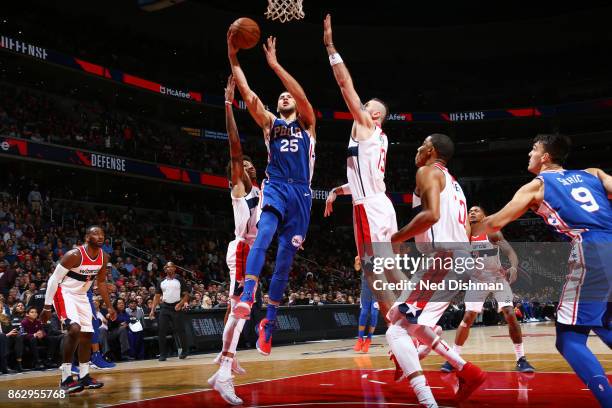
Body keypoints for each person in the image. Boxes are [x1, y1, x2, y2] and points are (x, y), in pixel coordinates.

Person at [322, 14, 441, 406]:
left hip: (370, 208)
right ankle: (413, 340)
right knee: (384, 283)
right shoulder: (371, 138)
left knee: (385, 286)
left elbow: (344, 86)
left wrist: (331, 49)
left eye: (368, 107)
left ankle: (414, 335)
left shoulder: (367, 126)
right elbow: (364, 176)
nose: (362, 107)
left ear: (373, 116)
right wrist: (338, 190)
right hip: (374, 203)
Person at [482, 134, 612, 406]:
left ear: (545, 157)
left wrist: (469, 225)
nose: (529, 154)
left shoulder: (536, 186)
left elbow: (496, 223)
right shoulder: (593, 173)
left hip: (591, 248)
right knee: (604, 322)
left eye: (533, 149)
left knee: (569, 340)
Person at [228, 33, 316, 357]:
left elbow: (303, 98)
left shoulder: (307, 124)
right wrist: (232, 56)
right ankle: (248, 294)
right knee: (263, 232)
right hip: (276, 185)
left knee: (283, 261)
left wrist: (276, 66)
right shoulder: (270, 124)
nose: (284, 98)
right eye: (279, 97)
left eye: (286, 96)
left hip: (302, 195)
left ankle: (269, 322)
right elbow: (249, 95)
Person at [389, 134, 487, 402]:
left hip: (443, 258)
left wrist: (396, 238)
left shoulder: (427, 171)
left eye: (421, 144)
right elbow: (465, 230)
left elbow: (431, 214)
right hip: (456, 258)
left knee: (396, 330)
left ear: (430, 150)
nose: (418, 149)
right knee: (403, 320)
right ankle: (467, 371)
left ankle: (426, 399)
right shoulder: (456, 185)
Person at [208, 75, 259, 406]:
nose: (248, 165)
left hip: (252, 251)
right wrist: (229, 104)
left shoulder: (263, 189)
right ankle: (223, 369)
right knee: (241, 307)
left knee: (239, 308)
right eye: (244, 165)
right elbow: (235, 146)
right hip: (241, 249)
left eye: (251, 164)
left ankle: (225, 359)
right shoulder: (240, 191)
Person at [439, 205, 535, 373]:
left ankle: (521, 359)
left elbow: (510, 252)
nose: (472, 212)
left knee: (510, 314)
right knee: (468, 317)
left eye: (476, 210)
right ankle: (454, 358)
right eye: (469, 211)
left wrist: (513, 267)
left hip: (497, 277)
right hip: (478, 280)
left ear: (484, 215)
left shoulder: (492, 232)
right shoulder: (464, 236)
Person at [40, 225, 115, 393]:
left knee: (88, 334)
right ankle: (65, 378)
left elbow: (101, 283)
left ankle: (84, 375)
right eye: (96, 234)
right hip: (64, 293)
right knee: (74, 329)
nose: (100, 236)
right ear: (87, 238)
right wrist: (46, 307)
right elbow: (54, 280)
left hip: (82, 296)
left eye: (102, 234)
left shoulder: (104, 257)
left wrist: (110, 307)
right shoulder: (74, 255)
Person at [148, 262, 189, 361]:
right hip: (165, 307)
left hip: (176, 307)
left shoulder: (180, 280)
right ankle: (163, 354)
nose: (168, 268)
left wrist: (180, 304)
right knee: (161, 330)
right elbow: (157, 297)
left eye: (170, 266)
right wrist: (152, 310)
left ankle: (185, 351)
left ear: (174, 268)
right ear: (165, 269)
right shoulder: (161, 281)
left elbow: (186, 295)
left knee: (180, 330)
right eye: (166, 267)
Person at [353, 256, 378, 353]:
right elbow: (357, 268)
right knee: (363, 313)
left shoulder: (381, 251)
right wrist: (356, 261)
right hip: (366, 287)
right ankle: (360, 339)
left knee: (374, 314)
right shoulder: (362, 251)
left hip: (377, 287)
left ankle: (369, 339)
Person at [21, 305, 59, 369]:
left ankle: (49, 360)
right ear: (27, 314)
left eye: (36, 312)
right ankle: (37, 361)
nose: (34, 314)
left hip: (39, 339)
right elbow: (22, 334)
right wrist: (34, 335)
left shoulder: (38, 322)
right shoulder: (23, 322)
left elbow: (42, 331)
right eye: (32, 312)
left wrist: (42, 334)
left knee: (51, 339)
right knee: (33, 339)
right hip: (28, 341)